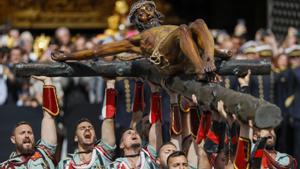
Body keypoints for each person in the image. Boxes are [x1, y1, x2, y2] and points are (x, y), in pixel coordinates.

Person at [0, 76, 60, 168]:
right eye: (22, 133)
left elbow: (49, 117)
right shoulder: (5, 166)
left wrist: (47, 81)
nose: (27, 135)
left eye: (29, 133)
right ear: (13, 139)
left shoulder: (45, 152)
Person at [58, 80, 117, 168]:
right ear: (75, 137)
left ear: (95, 136)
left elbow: (108, 119)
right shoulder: (65, 164)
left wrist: (110, 84)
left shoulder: (103, 155)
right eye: (82, 128)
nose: (87, 129)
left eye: (90, 127)